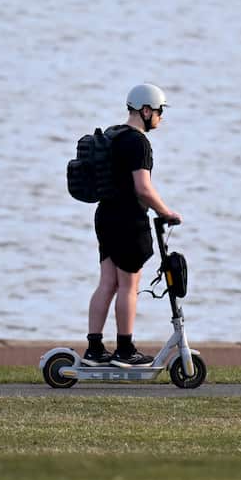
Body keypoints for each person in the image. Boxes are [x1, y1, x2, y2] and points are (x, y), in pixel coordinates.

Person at [84, 83, 181, 366]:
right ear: (146, 110)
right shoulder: (138, 142)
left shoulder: (113, 134)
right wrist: (167, 212)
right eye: (159, 111)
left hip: (105, 215)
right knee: (128, 284)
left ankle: (94, 349)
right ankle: (125, 350)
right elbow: (143, 188)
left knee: (107, 283)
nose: (161, 118)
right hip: (128, 218)